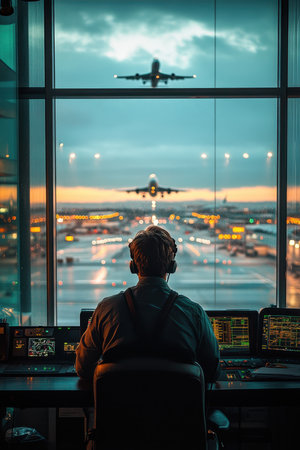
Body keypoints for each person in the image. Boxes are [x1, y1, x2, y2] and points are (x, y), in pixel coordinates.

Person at [75, 225, 220, 382]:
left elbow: (82, 368)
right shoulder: (193, 313)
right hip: (177, 406)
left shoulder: (106, 309)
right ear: (172, 266)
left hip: (120, 406)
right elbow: (212, 371)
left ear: (134, 266)